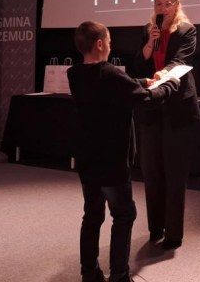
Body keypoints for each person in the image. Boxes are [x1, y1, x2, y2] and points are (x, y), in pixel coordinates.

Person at [67, 21, 179, 282]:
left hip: (87, 159)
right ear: (99, 44)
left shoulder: (76, 74)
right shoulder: (110, 75)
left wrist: (144, 81)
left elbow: (118, 87)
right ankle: (119, 275)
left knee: (92, 215)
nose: (110, 45)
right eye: (108, 40)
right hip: (112, 161)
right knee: (124, 214)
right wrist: (170, 84)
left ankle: (89, 273)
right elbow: (146, 100)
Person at [130, 0, 200, 250]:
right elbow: (137, 65)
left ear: (177, 5)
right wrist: (149, 44)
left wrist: (163, 74)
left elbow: (182, 61)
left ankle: (173, 233)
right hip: (151, 107)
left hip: (177, 106)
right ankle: (155, 227)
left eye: (167, 3)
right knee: (151, 170)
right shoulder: (149, 30)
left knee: (175, 171)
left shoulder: (187, 30)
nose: (162, 8)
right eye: (158, 3)